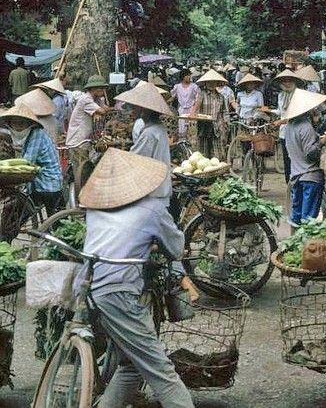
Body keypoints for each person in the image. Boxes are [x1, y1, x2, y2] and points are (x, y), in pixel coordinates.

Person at [74, 148, 194, 408]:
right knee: (161, 370)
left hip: (85, 289)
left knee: (132, 362)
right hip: (118, 292)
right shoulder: (151, 209)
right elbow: (175, 249)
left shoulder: (96, 208)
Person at [283, 89, 326, 229]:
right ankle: (306, 246)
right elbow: (311, 153)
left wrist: (317, 127)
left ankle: (294, 245)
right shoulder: (305, 127)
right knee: (308, 221)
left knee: (296, 217)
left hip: (296, 175)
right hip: (310, 176)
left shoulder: (289, 125)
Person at [0, 104, 62, 216]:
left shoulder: (37, 133)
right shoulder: (28, 134)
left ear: (29, 123)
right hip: (35, 182)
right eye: (14, 122)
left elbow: (27, 161)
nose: (18, 126)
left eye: (22, 123)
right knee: (22, 211)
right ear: (9, 123)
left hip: (48, 183)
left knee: (57, 220)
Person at [65, 75, 114, 166]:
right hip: (77, 142)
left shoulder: (95, 99)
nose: (103, 91)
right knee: (82, 171)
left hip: (84, 141)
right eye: (101, 88)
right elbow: (103, 111)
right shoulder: (86, 99)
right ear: (94, 88)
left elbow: (106, 108)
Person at [273, 69, 306, 183]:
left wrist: (281, 121)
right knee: (286, 159)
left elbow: (297, 114)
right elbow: (281, 112)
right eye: (285, 81)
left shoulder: (299, 95)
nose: (287, 83)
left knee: (296, 158)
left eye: (290, 81)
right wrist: (269, 111)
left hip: (296, 130)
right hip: (284, 133)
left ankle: (298, 181)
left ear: (294, 82)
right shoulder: (281, 95)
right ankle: (289, 184)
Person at [189, 70, 231, 160]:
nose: (211, 84)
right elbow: (196, 105)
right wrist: (192, 114)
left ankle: (217, 169)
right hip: (204, 125)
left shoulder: (221, 97)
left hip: (217, 126)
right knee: (202, 152)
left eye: (213, 82)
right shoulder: (202, 94)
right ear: (205, 83)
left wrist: (226, 124)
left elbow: (224, 112)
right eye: (209, 82)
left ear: (217, 83)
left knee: (218, 152)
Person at [168, 69, 200, 137]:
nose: (188, 77)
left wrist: (194, 109)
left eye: (189, 75)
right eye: (187, 75)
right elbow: (172, 97)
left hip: (191, 109)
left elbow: (198, 99)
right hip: (181, 110)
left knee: (191, 128)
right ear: (182, 76)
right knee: (181, 128)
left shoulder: (194, 86)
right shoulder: (177, 86)